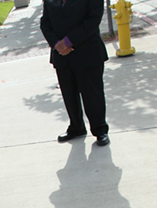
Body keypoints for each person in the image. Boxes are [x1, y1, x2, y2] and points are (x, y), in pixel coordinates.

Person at [40, 0, 110, 146]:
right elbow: (45, 22)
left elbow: (93, 19)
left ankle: (100, 129)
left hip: (87, 52)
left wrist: (68, 41)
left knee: (92, 94)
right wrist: (57, 44)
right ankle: (76, 127)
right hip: (61, 55)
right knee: (69, 94)